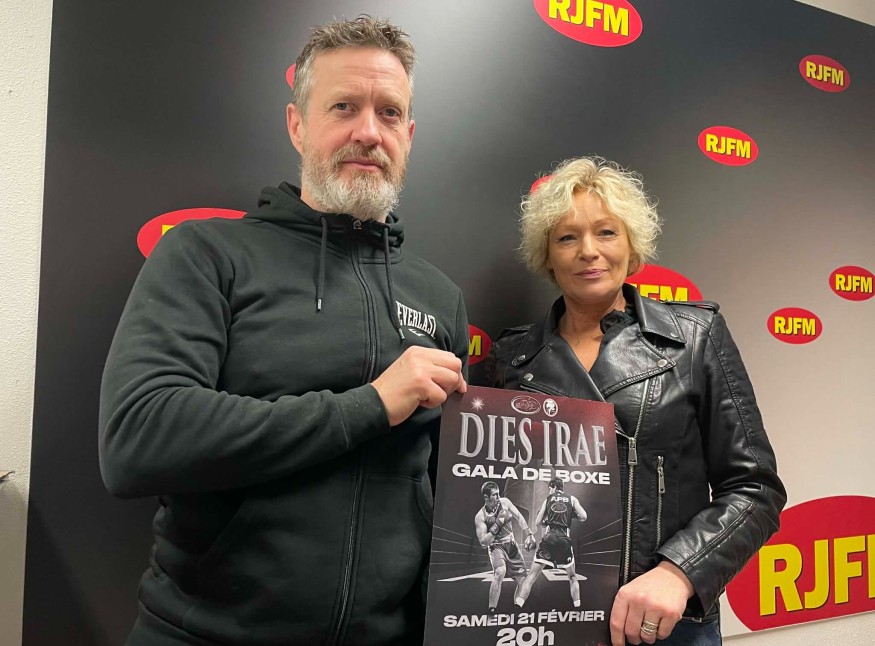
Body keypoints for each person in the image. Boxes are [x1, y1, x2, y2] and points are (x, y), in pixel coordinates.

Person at [99, 16, 469, 646]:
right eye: (344, 107)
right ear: (298, 125)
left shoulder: (440, 297)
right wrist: (372, 405)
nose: (368, 132)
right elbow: (138, 437)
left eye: (388, 113)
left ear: (408, 135)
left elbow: (449, 494)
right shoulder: (207, 255)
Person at [483, 156, 785, 646]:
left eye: (606, 232)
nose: (588, 251)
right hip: (547, 624)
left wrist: (679, 572)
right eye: (567, 237)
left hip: (663, 623)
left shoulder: (694, 338)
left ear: (631, 245)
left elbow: (755, 489)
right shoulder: (511, 359)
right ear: (547, 254)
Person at [513, 478, 587, 609]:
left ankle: (518, 604)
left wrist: (546, 523)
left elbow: (538, 522)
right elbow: (584, 516)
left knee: (531, 576)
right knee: (572, 576)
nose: (549, 491)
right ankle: (578, 606)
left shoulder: (548, 499)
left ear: (553, 487)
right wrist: (571, 515)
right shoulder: (572, 499)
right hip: (564, 539)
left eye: (549, 489)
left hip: (549, 538)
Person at [473, 481, 533, 613]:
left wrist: (529, 534)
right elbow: (483, 542)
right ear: (486, 497)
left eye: (498, 493)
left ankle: (517, 608)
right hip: (496, 547)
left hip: (511, 545)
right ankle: (492, 609)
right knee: (500, 572)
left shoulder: (504, 502)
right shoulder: (480, 516)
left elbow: (519, 517)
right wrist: (498, 525)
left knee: (523, 580)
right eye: (494, 495)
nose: (498, 497)